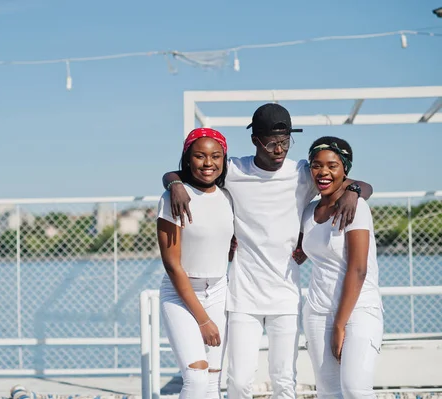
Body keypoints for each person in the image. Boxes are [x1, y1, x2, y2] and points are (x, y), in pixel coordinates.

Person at [162, 103, 373, 399]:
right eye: (272, 142)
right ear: (255, 141)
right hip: (242, 295)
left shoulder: (302, 173)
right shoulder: (233, 170)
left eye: (285, 142)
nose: (279, 149)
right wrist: (173, 184)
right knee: (238, 381)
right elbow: (184, 171)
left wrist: (353, 193)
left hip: (286, 294)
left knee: (284, 379)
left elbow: (357, 183)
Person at [297, 137, 383, 398]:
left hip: (358, 311)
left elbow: (358, 269)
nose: (323, 172)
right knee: (328, 392)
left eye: (332, 165)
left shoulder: (357, 207)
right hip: (317, 311)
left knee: (356, 390)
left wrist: (339, 324)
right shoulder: (308, 211)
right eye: (316, 165)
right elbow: (302, 252)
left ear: (345, 168)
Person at [157, 127, 235, 399]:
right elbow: (171, 265)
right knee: (196, 378)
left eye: (216, 156)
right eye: (200, 156)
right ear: (188, 159)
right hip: (181, 294)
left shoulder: (227, 197)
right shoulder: (172, 198)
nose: (208, 163)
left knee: (214, 380)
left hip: (218, 290)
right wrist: (203, 320)